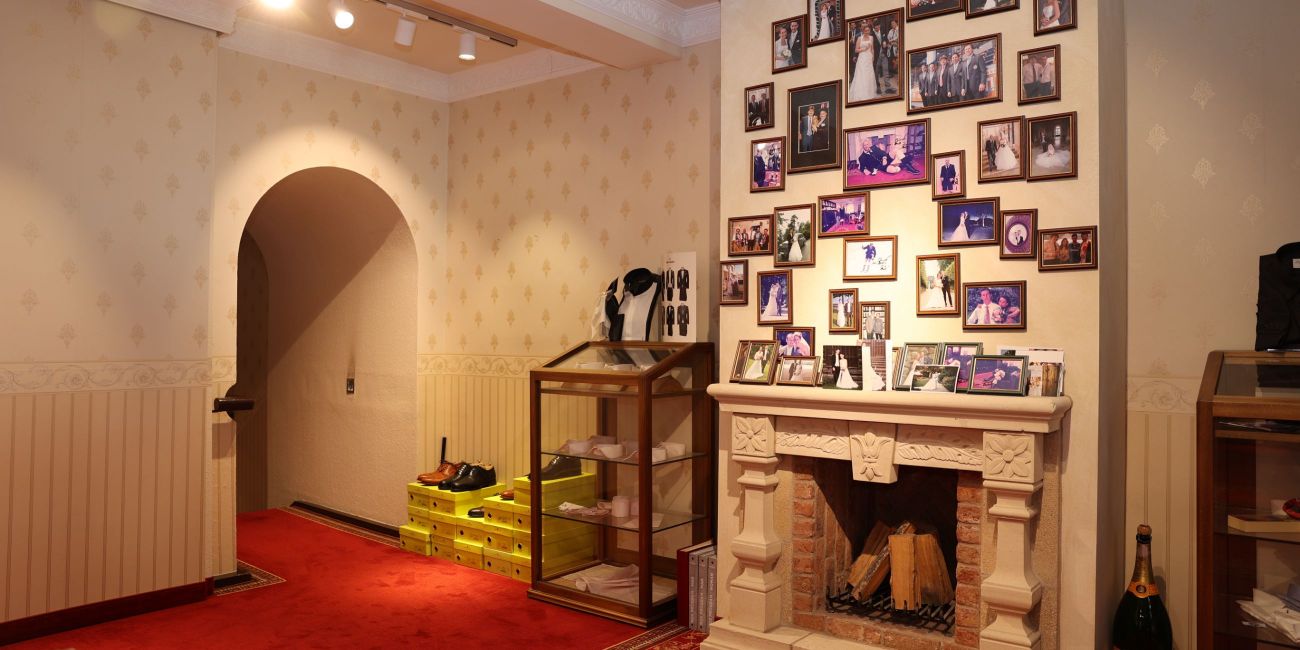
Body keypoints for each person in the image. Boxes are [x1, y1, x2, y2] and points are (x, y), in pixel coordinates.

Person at [848, 28, 879, 101]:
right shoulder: (859, 38)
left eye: (868, 30)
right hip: (862, 58)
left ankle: (869, 92)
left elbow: (872, 48)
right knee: (861, 74)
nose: (867, 32)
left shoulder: (871, 37)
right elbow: (856, 50)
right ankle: (861, 93)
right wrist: (864, 49)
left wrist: (873, 57)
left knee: (869, 74)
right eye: (866, 31)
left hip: (869, 58)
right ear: (863, 31)